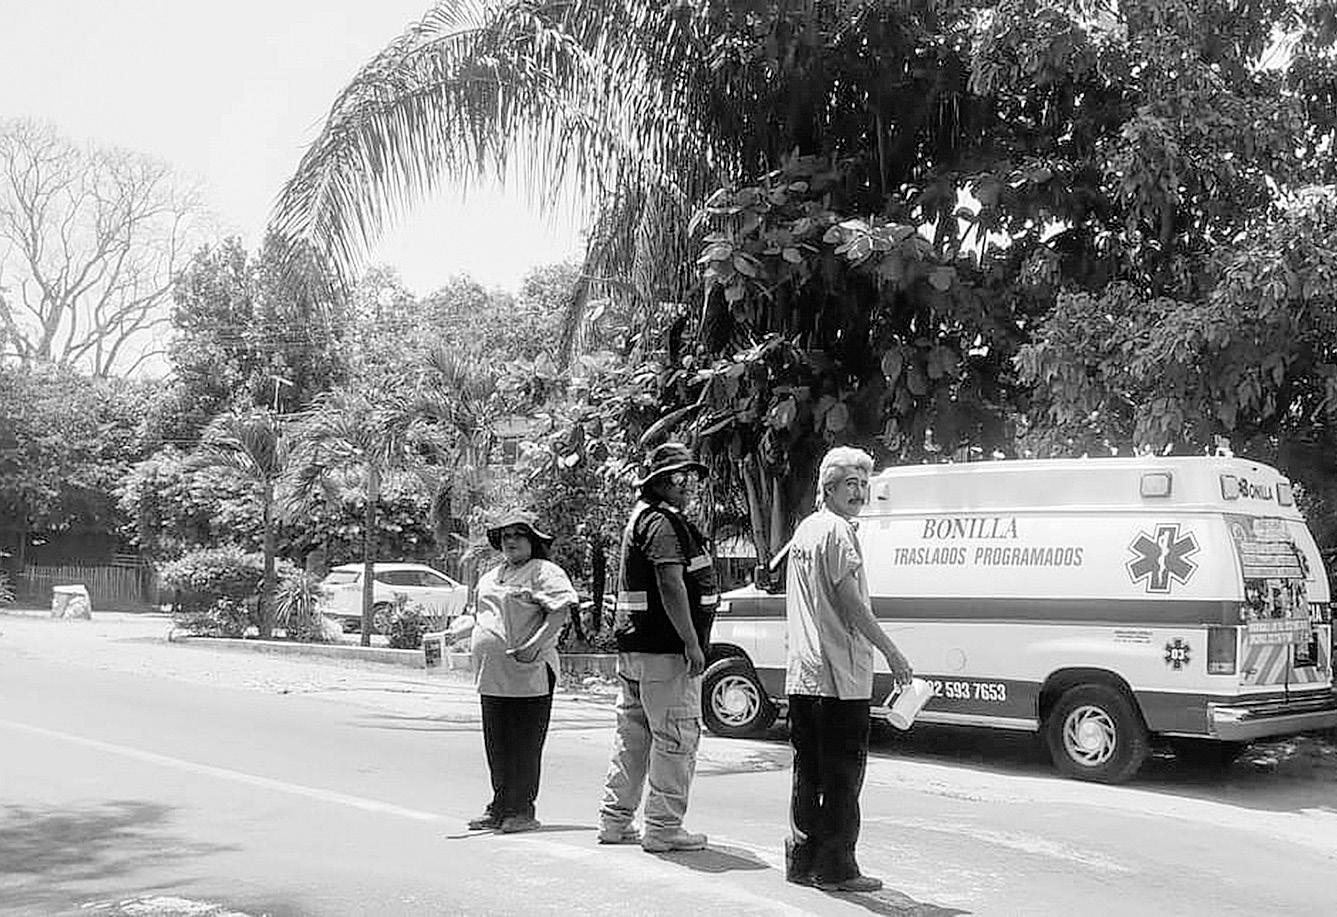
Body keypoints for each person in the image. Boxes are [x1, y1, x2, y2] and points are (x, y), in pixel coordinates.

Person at [784, 446, 914, 892]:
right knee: (842, 777)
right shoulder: (839, 532)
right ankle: (836, 868)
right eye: (850, 484)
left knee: (808, 773)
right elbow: (850, 601)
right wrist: (891, 651)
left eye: (863, 484)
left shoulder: (806, 530)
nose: (859, 492)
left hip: (804, 677)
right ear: (829, 488)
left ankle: (803, 861)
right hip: (839, 678)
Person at [598, 442, 719, 853]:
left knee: (633, 738)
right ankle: (664, 829)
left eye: (691, 477)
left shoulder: (644, 519)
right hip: (665, 654)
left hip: (638, 653)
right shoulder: (662, 524)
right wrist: (691, 643)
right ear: (661, 482)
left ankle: (615, 821)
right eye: (679, 478)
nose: (688, 485)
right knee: (675, 739)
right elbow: (670, 583)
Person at [467, 510, 578, 834]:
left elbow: (559, 613)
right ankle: (500, 806)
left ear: (532, 540)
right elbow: (480, 618)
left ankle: (522, 809)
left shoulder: (544, 571)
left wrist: (532, 646)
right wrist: (448, 636)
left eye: (518, 534)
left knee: (524, 745)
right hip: (492, 675)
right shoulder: (490, 576)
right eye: (506, 536)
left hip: (530, 674)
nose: (511, 541)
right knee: (497, 744)